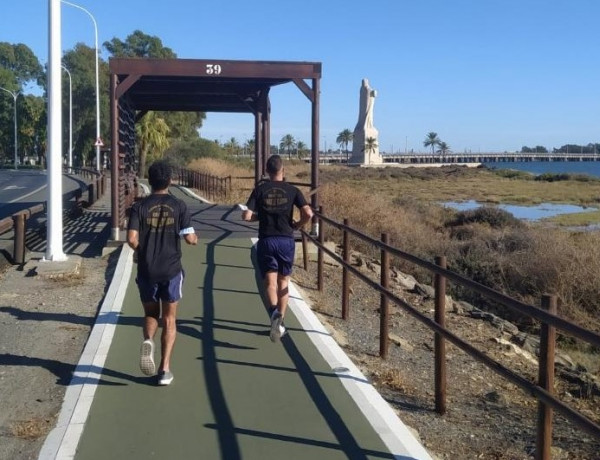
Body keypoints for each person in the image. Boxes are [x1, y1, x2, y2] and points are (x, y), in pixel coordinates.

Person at [127, 160, 198, 385]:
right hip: (171, 270)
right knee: (169, 319)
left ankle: (149, 339)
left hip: (147, 269)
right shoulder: (179, 206)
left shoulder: (139, 207)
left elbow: (131, 239)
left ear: (150, 180)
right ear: (169, 181)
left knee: (150, 313)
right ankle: (164, 369)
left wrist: (141, 250)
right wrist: (194, 239)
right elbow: (189, 238)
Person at [242, 155, 313, 342]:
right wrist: (297, 225)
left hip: (266, 240)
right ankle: (280, 323)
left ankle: (274, 314)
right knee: (284, 282)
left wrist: (261, 217)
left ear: (267, 170)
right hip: (286, 240)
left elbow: (247, 216)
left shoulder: (260, 189)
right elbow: (308, 213)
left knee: (270, 283)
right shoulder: (293, 190)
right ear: (283, 170)